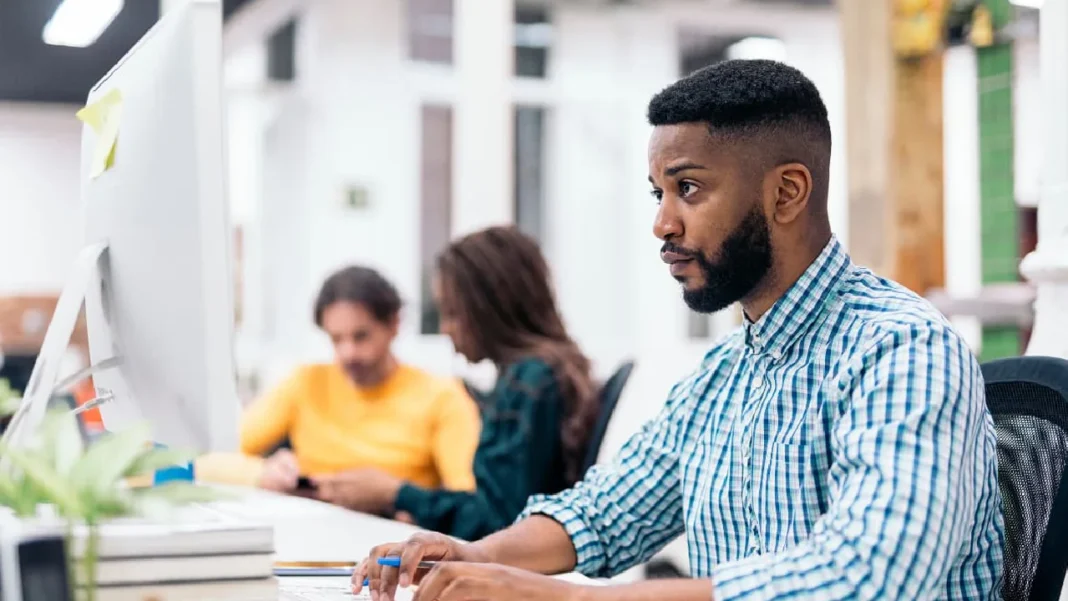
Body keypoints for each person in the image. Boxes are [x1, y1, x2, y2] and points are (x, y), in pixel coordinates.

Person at [354, 60, 1004, 601]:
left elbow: (870, 574)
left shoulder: (902, 348)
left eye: (687, 188)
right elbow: (609, 509)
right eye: (656, 193)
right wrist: (472, 554)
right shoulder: (724, 372)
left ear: (786, 194)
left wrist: (574, 597)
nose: (662, 223)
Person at [311, 226, 600, 541]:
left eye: (452, 313)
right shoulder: (540, 375)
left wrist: (397, 494)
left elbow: (497, 523)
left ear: (489, 310)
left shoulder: (531, 383)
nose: (446, 329)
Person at [237, 265, 481, 497]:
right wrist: (261, 473)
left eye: (361, 336)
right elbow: (215, 454)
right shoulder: (305, 383)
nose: (348, 353)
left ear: (394, 324)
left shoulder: (442, 396)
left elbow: (467, 496)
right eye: (336, 339)